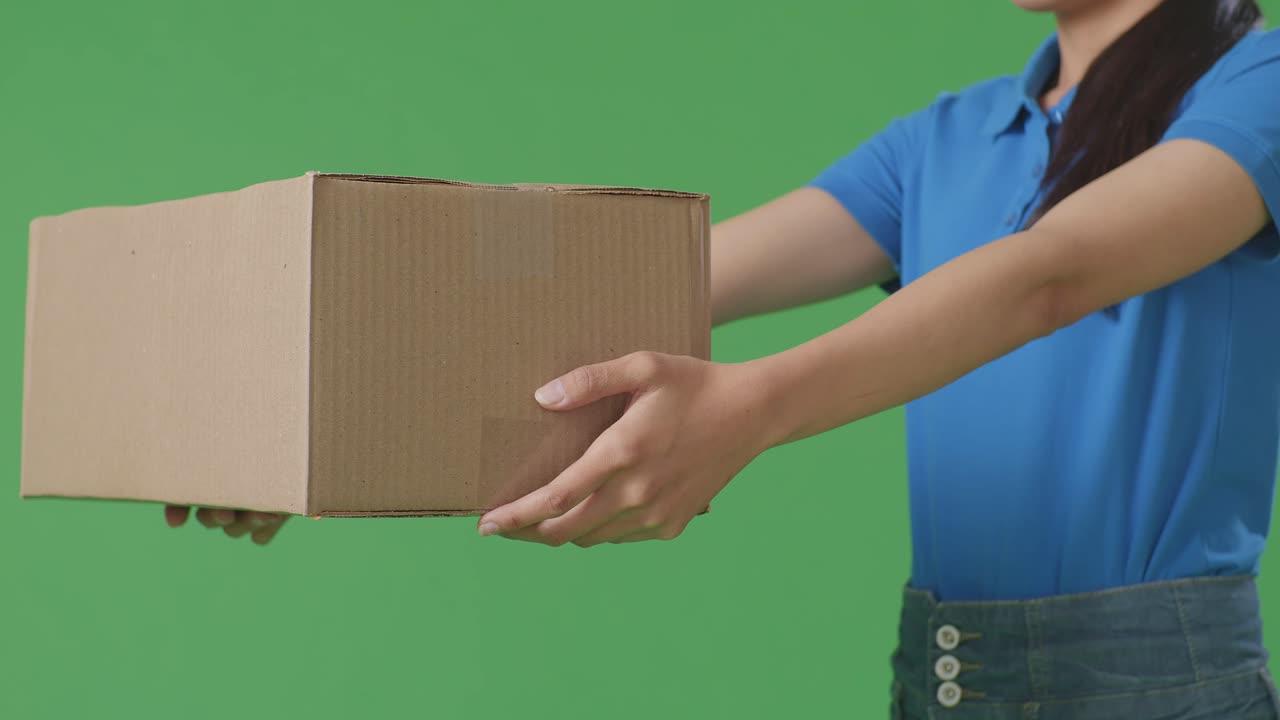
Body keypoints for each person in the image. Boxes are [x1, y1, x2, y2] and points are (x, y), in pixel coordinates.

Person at [167, 0, 1280, 716]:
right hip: (942, 678)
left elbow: (1052, 276)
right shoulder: (946, 137)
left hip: (1157, 685)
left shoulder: (1255, 82)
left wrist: (749, 406)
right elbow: (628, 299)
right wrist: (305, 417)